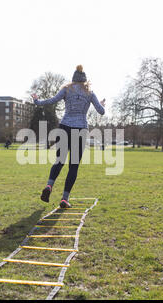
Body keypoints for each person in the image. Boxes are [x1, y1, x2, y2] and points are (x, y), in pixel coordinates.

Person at [31, 65, 106, 209]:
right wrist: (102, 104)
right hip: (81, 129)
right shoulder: (90, 93)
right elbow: (101, 111)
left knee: (59, 160)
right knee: (73, 166)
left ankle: (49, 185)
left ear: (73, 79)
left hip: (65, 126)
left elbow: (51, 101)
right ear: (85, 80)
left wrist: (37, 101)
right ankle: (64, 199)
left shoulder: (67, 89)